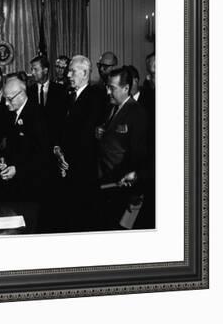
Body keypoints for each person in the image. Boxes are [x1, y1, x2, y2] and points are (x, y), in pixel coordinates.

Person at [53, 55, 106, 231]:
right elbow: (60, 130)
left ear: (84, 73)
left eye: (72, 71)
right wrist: (58, 151)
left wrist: (67, 161)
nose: (68, 75)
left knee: (83, 219)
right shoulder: (68, 96)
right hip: (66, 168)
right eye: (68, 71)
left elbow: (85, 136)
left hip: (83, 170)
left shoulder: (95, 97)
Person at [95, 67, 148, 230]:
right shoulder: (113, 107)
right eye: (107, 87)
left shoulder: (136, 112)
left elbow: (138, 153)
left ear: (126, 89)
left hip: (120, 186)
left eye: (112, 88)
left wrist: (131, 180)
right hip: (105, 181)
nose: (108, 92)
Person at [0, 78, 51, 203]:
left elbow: (43, 154)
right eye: (5, 98)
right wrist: (4, 160)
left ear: (22, 95)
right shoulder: (11, 114)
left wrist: (18, 169)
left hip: (33, 185)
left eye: (10, 99)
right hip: (16, 185)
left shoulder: (37, 115)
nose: (6, 103)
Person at [28, 55, 67, 145]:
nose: (33, 73)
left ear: (45, 70)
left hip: (54, 143)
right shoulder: (28, 91)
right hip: (34, 145)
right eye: (32, 69)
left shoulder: (60, 91)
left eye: (35, 69)